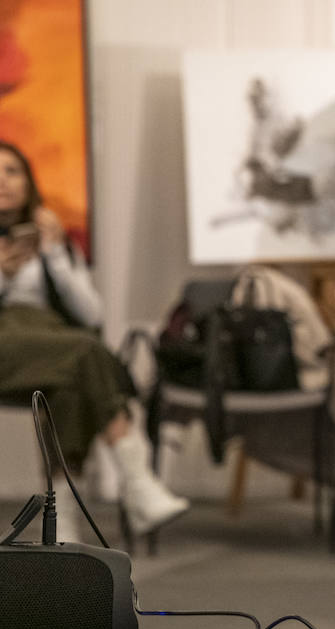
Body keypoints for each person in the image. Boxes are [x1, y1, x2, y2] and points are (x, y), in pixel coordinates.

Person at [0, 142, 188, 539]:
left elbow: (92, 315)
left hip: (52, 344)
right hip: (7, 344)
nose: (3, 180)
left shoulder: (55, 240)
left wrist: (52, 255)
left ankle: (62, 519)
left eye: (12, 170)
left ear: (28, 180)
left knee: (67, 389)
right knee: (86, 351)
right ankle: (138, 481)